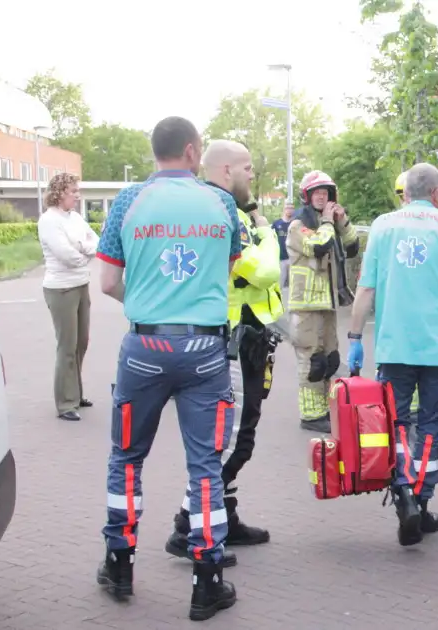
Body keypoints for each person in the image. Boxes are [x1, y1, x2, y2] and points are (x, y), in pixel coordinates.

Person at [94, 116, 240, 621]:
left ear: (154, 151)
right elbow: (224, 270)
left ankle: (119, 564)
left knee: (126, 458)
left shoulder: (127, 202)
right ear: (193, 152)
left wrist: (149, 304)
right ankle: (207, 581)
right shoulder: (220, 203)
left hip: (144, 349)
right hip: (203, 351)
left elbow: (108, 282)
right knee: (205, 467)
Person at [346, 162, 438, 547]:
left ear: (405, 192)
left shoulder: (383, 226)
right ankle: (422, 504)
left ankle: (403, 492)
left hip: (395, 345)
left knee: (395, 422)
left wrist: (355, 336)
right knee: (431, 425)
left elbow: (366, 289)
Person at [163, 140, 281, 565]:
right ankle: (188, 523)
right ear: (227, 169)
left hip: (241, 335)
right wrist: (268, 232)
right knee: (232, 441)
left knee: (236, 433)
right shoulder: (225, 212)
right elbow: (265, 270)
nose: (253, 175)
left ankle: (224, 517)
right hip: (230, 340)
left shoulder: (220, 209)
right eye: (248, 167)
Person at [287, 170, 360, 433]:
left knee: (330, 359)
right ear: (306, 196)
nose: (322, 196)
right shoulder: (299, 225)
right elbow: (318, 246)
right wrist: (329, 222)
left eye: (326, 192)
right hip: (306, 305)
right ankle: (311, 415)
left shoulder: (327, 223)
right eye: (317, 192)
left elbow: (352, 248)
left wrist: (342, 222)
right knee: (312, 359)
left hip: (326, 303)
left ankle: (325, 408)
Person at [36, 172, 98, 422]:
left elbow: (95, 241)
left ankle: (76, 393)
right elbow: (67, 255)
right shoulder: (49, 220)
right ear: (60, 193)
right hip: (61, 288)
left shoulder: (75, 218)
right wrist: (83, 252)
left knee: (81, 342)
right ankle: (65, 403)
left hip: (82, 284)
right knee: (67, 346)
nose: (77, 195)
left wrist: (84, 249)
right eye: (73, 191)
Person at [272, 203, 294, 288]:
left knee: (293, 285)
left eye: (291, 208)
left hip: (293, 258)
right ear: (284, 210)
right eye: (288, 208)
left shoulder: (295, 224)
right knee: (279, 284)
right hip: (281, 258)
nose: (289, 210)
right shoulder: (276, 224)